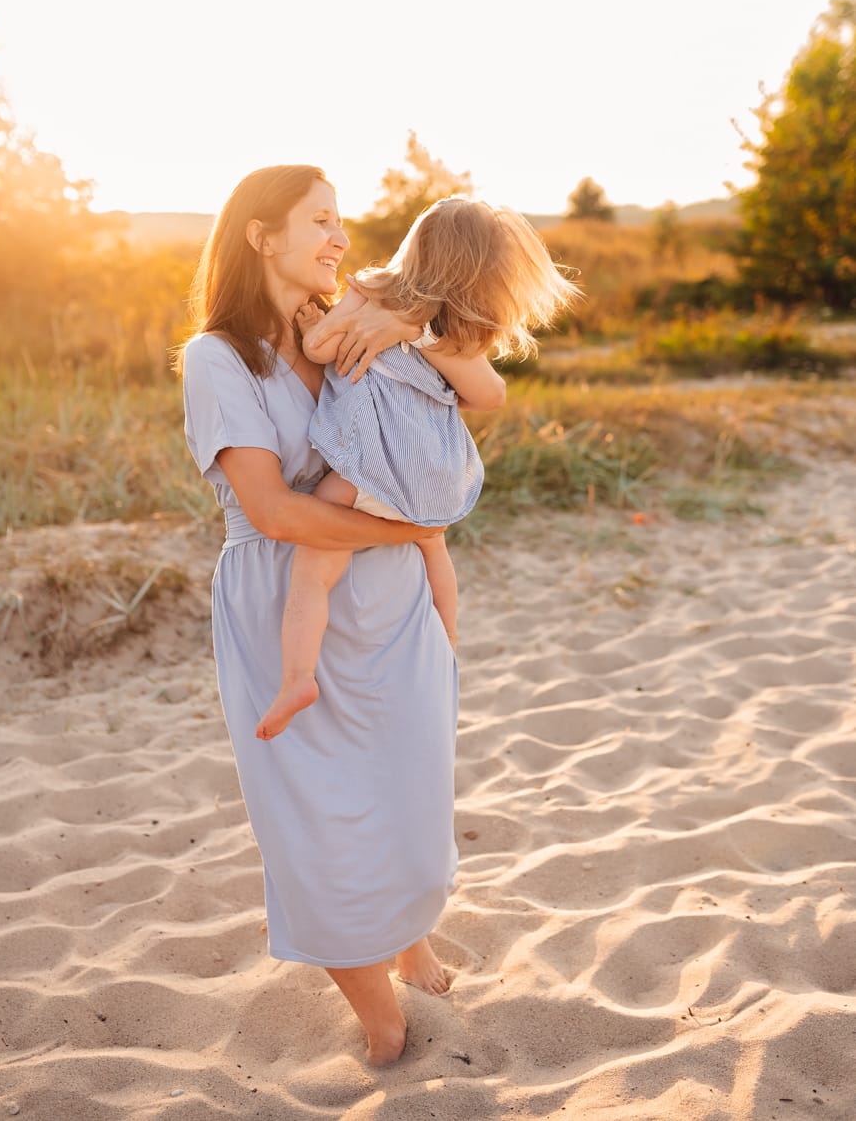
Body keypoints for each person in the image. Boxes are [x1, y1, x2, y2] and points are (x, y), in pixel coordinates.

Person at [180, 165, 511, 1066]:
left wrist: (415, 321)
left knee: (411, 790)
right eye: (320, 220)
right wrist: (412, 525)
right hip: (285, 595)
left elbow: (484, 389)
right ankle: (375, 1006)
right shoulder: (219, 359)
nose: (339, 236)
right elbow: (278, 512)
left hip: (391, 597)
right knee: (317, 820)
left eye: (342, 219)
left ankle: (410, 938)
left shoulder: (358, 318)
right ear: (260, 235)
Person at [256, 196, 579, 741]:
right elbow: (485, 395)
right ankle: (446, 640)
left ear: (417, 244)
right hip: (439, 471)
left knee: (315, 565)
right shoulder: (454, 330)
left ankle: (297, 676)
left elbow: (319, 350)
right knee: (434, 546)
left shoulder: (369, 290)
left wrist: (314, 325)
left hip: (376, 464)